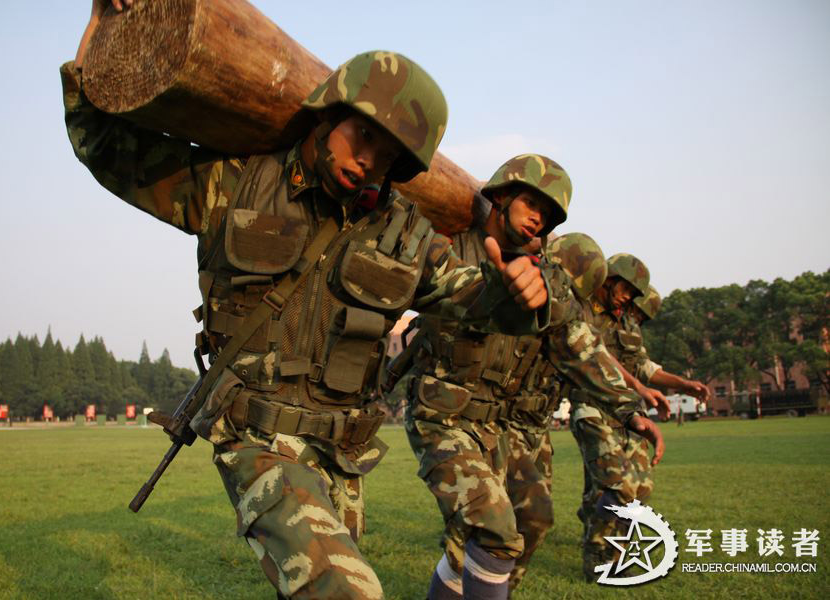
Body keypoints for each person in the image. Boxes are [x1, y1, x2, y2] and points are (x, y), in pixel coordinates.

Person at [66, 3, 556, 597]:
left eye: (390, 155)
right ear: (329, 114)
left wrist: (516, 297)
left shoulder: (406, 233)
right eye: (363, 135)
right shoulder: (238, 184)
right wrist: (101, 26)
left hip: (344, 454)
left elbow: (470, 298)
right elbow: (107, 147)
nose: (368, 161)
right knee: (348, 591)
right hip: (257, 439)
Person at [388, 154, 664, 598]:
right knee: (493, 527)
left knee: (533, 520)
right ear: (499, 196)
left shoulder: (547, 279)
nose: (539, 217)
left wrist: (629, 409)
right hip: (446, 416)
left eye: (549, 213)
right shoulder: (450, 246)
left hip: (502, 426)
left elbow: (580, 345)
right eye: (532, 202)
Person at [568, 253, 668, 580]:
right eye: (626, 290)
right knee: (618, 485)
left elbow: (641, 364)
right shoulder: (578, 307)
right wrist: (638, 385)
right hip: (591, 408)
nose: (628, 300)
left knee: (641, 488)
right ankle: (597, 553)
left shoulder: (620, 320)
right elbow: (597, 356)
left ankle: (614, 552)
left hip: (623, 411)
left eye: (634, 297)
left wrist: (679, 385)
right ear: (609, 279)